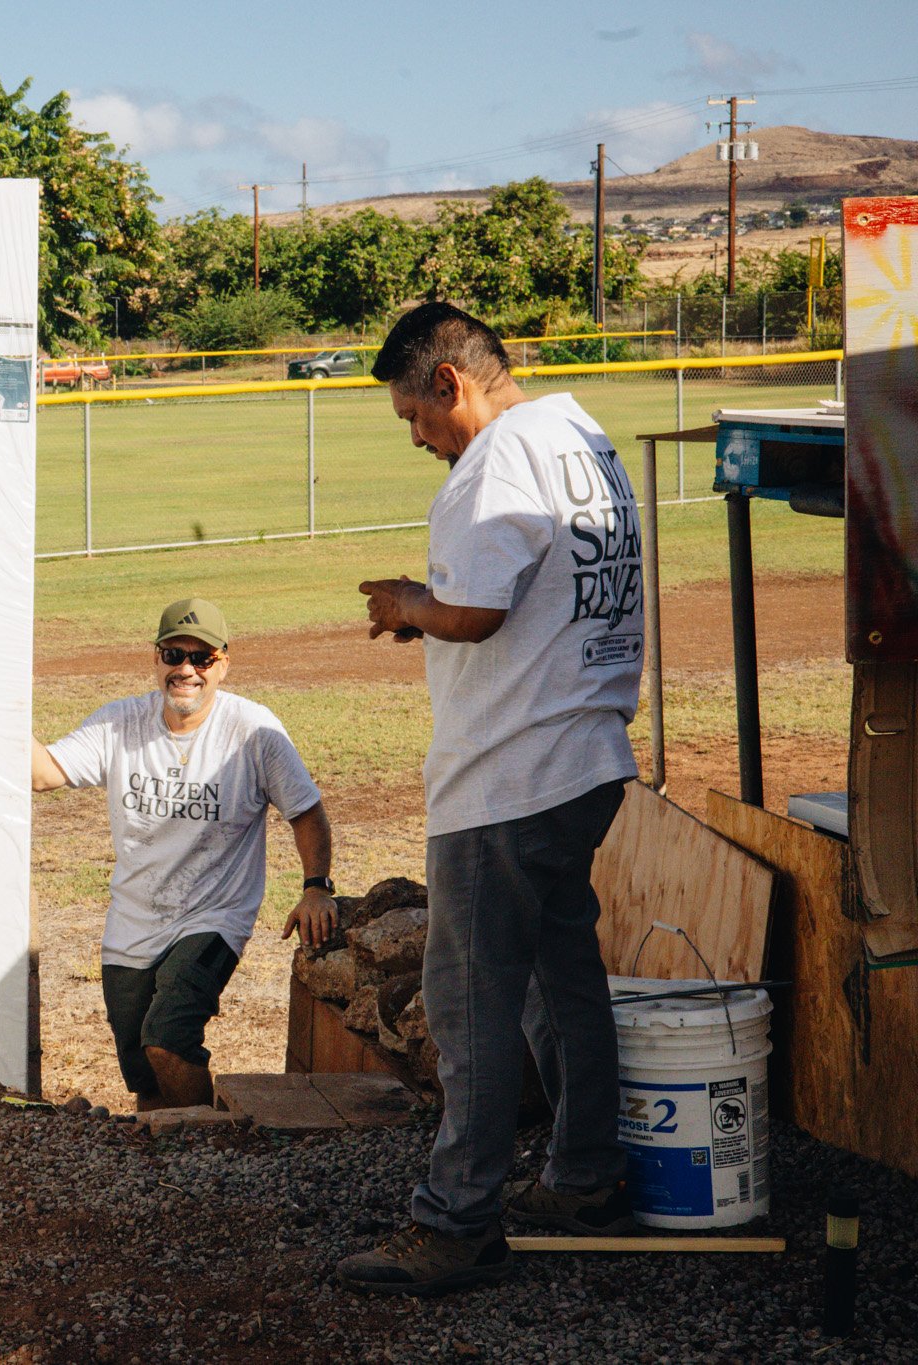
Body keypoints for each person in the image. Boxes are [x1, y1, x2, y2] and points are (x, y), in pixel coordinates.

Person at [335, 301, 643, 1297]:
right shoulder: (578, 438)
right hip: (585, 755)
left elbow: (472, 609)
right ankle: (587, 1177)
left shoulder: (494, 464)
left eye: (413, 419)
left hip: (507, 776)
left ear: (445, 383)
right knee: (562, 980)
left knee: (469, 1009)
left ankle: (456, 1223)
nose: (418, 441)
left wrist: (404, 606)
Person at [32, 597, 337, 1111]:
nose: (186, 670)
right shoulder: (120, 724)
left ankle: (208, 1148)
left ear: (224, 664)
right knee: (145, 1075)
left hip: (214, 915)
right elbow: (42, 773)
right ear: (155, 659)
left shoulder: (254, 732)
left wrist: (316, 888)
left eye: (202, 658)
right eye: (174, 655)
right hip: (133, 919)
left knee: (168, 1037)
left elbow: (306, 812)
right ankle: (168, 1170)